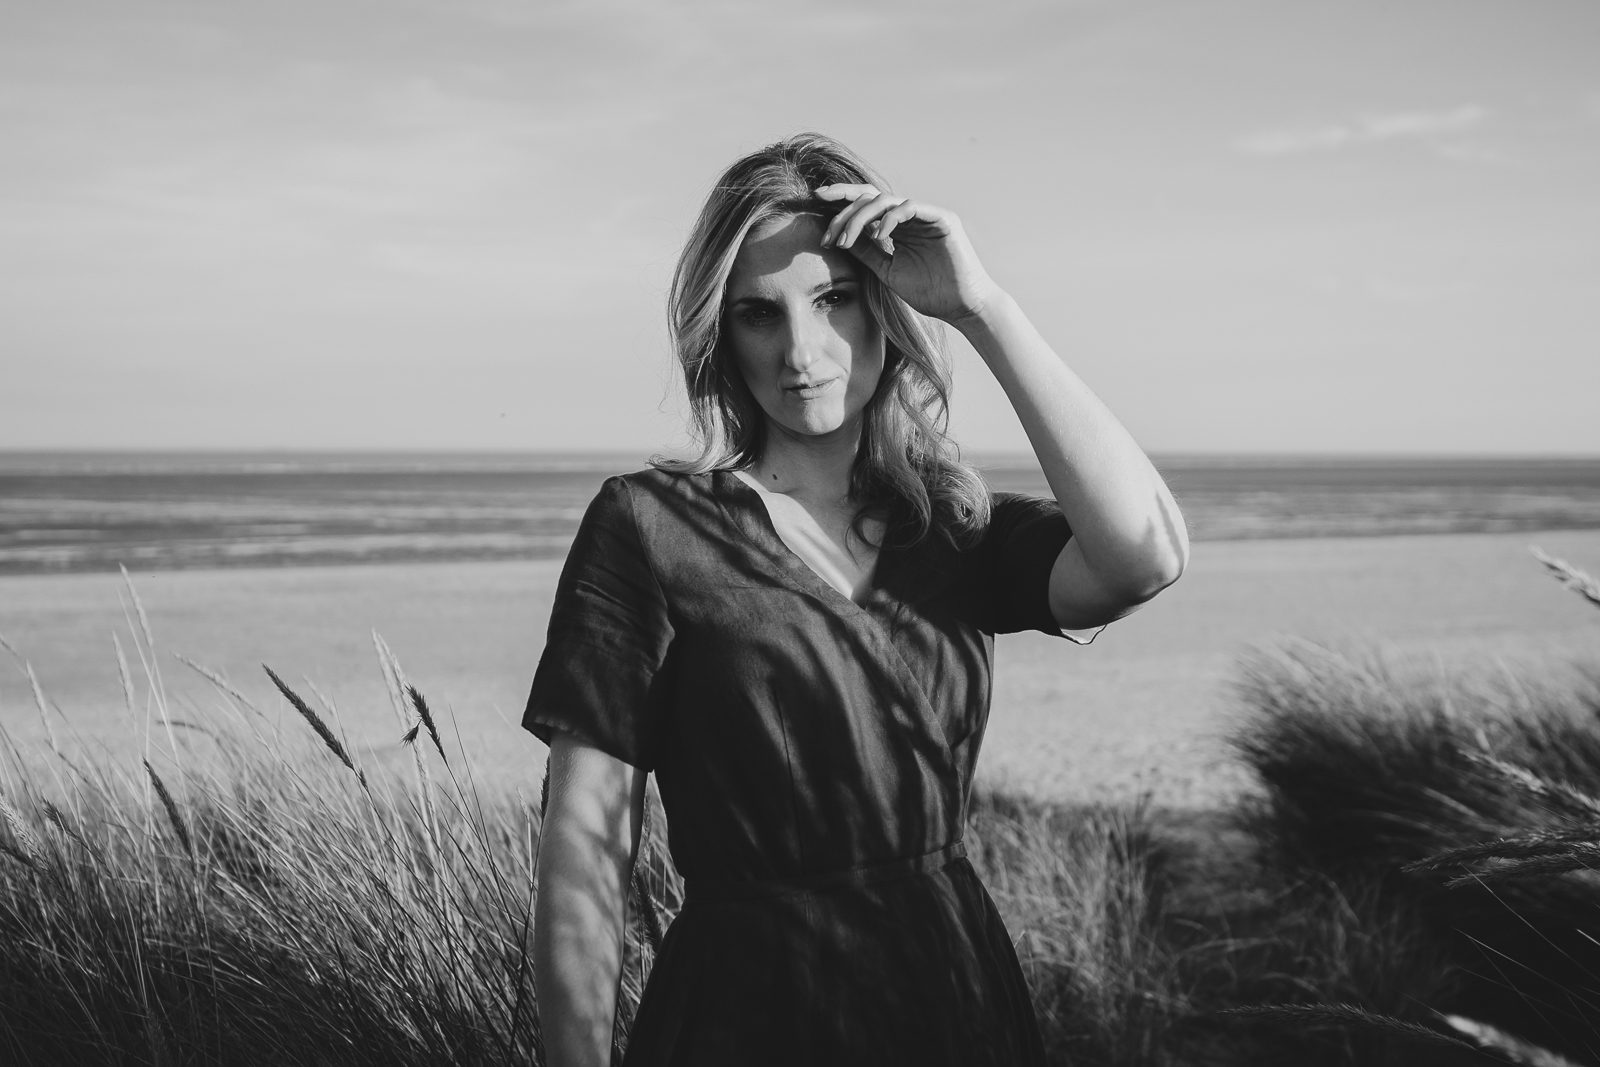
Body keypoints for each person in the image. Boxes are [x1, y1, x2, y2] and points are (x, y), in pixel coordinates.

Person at [525, 132, 1190, 1066]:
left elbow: (1146, 556)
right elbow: (585, 847)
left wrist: (983, 307)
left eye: (833, 299)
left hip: (952, 998)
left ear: (885, 305)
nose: (801, 352)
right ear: (722, 336)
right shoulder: (648, 526)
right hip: (744, 1012)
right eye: (760, 314)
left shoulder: (951, 525)